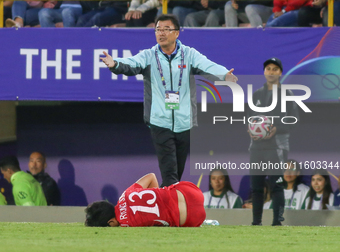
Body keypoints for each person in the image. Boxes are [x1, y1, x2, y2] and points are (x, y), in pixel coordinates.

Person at [100, 14, 237, 187]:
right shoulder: (149, 56)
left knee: (176, 174)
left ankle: (168, 205)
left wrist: (224, 75)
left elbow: (208, 65)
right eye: (158, 29)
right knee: (170, 173)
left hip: (184, 122)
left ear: (177, 33)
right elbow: (131, 63)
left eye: (166, 29)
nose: (161, 33)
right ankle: (168, 212)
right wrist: (115, 64)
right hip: (160, 122)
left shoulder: (189, 54)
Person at [248, 57, 299, 226]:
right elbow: (248, 118)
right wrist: (251, 129)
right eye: (268, 68)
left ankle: (277, 222)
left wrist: (276, 128)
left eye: (275, 69)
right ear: (264, 72)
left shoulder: (288, 94)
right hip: (256, 146)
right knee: (256, 186)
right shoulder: (256, 94)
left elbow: (294, 120)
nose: (271, 72)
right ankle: (256, 223)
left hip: (277, 146)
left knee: (276, 185)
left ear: (280, 73)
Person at [85, 173, 206, 227]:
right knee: (170, 188)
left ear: (111, 222)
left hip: (193, 218)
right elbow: (151, 176)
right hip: (192, 192)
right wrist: (158, 198)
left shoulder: (126, 225)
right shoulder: (125, 194)